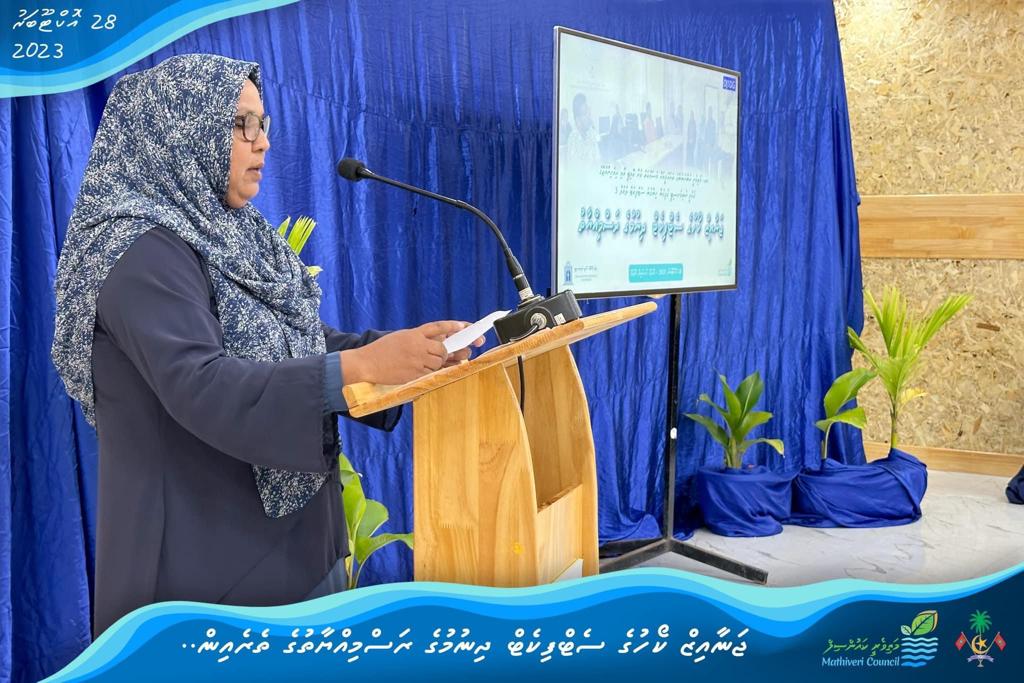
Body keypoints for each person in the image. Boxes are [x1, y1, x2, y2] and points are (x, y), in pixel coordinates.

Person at [50, 53, 483, 638]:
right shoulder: (137, 252)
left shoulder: (229, 228)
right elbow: (202, 384)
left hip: (292, 549)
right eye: (241, 124)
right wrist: (358, 365)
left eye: (263, 123)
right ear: (180, 129)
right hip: (207, 580)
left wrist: (398, 353)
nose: (262, 142)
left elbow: (291, 338)